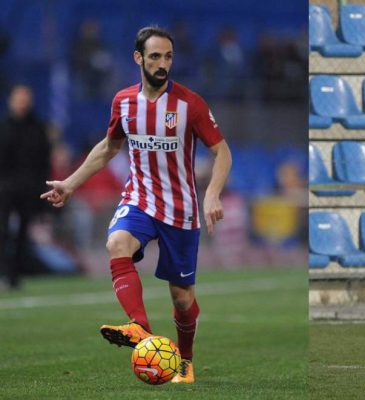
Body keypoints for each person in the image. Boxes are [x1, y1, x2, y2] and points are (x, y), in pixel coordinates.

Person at [41, 26, 232, 384]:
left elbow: (221, 151)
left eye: (168, 57)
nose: (163, 64)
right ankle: (139, 328)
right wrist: (70, 183)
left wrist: (212, 193)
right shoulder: (123, 102)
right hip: (140, 199)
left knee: (181, 298)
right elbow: (109, 147)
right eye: (155, 56)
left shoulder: (190, 104)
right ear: (138, 58)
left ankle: (185, 363)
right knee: (116, 243)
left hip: (181, 208)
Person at [0, 85, 51, 289]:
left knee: (22, 234)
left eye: (25, 98)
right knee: (3, 232)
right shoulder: (4, 128)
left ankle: (15, 275)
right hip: (5, 189)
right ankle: (4, 272)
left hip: (28, 189)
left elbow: (43, 161)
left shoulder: (38, 128)